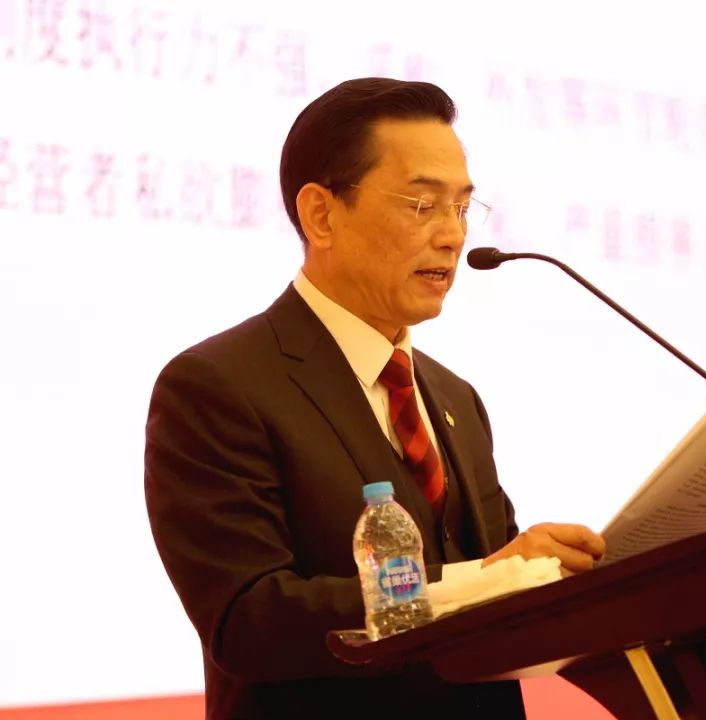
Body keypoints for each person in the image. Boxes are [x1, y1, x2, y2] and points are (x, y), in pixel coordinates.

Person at [144, 77, 606, 719]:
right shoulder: (218, 386)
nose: (452, 235)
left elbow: (497, 592)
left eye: (462, 207)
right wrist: (489, 581)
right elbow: (250, 620)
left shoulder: (455, 398)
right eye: (422, 205)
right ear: (321, 215)